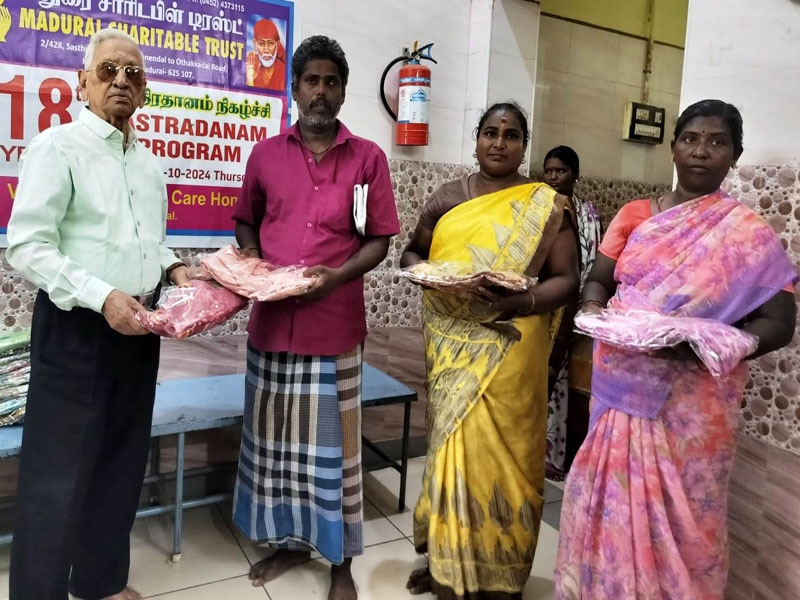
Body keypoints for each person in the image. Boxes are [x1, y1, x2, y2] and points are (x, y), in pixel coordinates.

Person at [555, 99, 797, 599]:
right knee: (611, 506)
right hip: (621, 387)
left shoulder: (748, 234)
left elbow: (779, 323)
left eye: (717, 142)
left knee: (691, 524)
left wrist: (711, 343)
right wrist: (596, 311)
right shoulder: (635, 215)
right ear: (673, 148)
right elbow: (598, 281)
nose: (701, 152)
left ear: (735, 155)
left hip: (694, 407)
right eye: (690, 139)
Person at [6, 28, 195, 600]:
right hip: (76, 331)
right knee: (55, 477)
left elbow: (148, 244)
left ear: (144, 90)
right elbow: (27, 246)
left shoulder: (149, 166)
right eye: (108, 70)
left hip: (138, 330)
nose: (121, 81)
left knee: (120, 464)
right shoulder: (57, 148)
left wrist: (175, 270)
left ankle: (100, 584)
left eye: (133, 73)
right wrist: (103, 296)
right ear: (82, 82)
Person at [232, 35, 400, 600]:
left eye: (331, 81)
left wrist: (336, 276)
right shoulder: (265, 155)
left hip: (334, 327)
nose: (321, 91)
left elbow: (378, 241)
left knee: (336, 453)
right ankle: (288, 543)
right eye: (311, 81)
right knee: (277, 446)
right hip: (273, 325)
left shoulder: (368, 158)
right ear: (295, 88)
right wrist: (253, 261)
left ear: (343, 91)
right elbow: (246, 220)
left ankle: (340, 560)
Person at [401, 102, 580, 599]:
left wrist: (519, 301)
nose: (499, 143)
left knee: (507, 461)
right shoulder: (446, 197)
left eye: (511, 134)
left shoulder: (546, 205)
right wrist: (433, 275)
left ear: (524, 145)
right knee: (450, 450)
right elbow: (412, 253)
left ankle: (500, 576)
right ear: (476, 139)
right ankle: (446, 564)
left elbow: (567, 280)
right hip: (451, 342)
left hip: (512, 346)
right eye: (490, 132)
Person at [541, 146, 603, 480]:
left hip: (578, 312)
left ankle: (563, 458)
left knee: (570, 385)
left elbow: (596, 261)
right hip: (545, 307)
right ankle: (540, 453)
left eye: (561, 171)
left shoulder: (589, 214)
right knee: (545, 376)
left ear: (575, 175)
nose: (553, 177)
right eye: (548, 170)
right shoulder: (538, 208)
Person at [246, 18, 287, 91]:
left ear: (277, 44)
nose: (266, 50)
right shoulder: (250, 67)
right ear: (255, 44)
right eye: (261, 44)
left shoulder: (285, 70)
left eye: (270, 43)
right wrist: (250, 77)